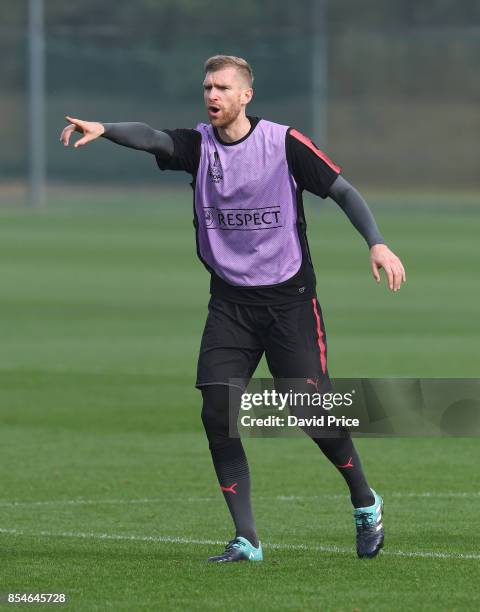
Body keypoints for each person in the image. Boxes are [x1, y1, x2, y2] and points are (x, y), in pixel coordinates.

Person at [60, 54, 406, 563]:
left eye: (222, 87)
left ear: (247, 95)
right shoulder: (198, 146)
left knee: (311, 412)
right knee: (217, 410)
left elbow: (343, 190)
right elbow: (153, 137)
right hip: (230, 304)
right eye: (207, 87)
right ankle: (247, 539)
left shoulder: (282, 144)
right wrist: (104, 128)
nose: (212, 95)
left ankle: (364, 501)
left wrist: (377, 243)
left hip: (289, 301)